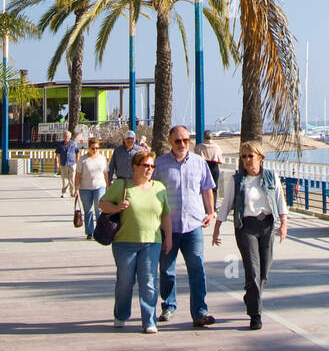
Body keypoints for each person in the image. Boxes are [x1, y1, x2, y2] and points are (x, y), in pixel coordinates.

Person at [212, 140, 287, 330]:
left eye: (250, 156)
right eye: (243, 156)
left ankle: (250, 297)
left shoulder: (271, 177)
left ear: (260, 158)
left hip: (267, 225)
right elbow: (227, 204)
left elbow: (279, 200)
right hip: (246, 227)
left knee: (264, 271)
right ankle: (255, 314)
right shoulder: (237, 180)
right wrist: (217, 228)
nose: (247, 160)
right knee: (252, 270)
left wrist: (284, 223)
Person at [99, 150, 172, 333]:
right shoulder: (122, 185)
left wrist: (168, 238)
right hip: (125, 242)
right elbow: (102, 203)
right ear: (135, 166)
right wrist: (117, 207)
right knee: (125, 281)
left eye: (152, 166)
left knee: (148, 281)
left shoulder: (159, 188)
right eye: (145, 165)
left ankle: (149, 320)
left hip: (151, 242)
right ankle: (121, 314)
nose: (149, 170)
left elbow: (166, 215)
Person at [154, 125, 216, 328]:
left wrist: (211, 212)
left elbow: (206, 188)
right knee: (166, 270)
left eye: (186, 140)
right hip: (168, 227)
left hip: (193, 226)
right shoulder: (160, 164)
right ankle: (169, 305)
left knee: (197, 268)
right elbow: (152, 191)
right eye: (178, 140)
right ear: (170, 141)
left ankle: (200, 311)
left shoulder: (199, 163)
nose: (182, 144)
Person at [75, 136, 107, 238]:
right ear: (88, 148)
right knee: (88, 210)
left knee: (99, 210)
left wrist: (109, 186)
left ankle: (100, 231)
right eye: (93, 148)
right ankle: (89, 232)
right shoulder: (83, 160)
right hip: (85, 188)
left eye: (97, 148)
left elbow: (106, 173)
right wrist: (75, 188)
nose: (95, 150)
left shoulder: (102, 159)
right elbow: (78, 175)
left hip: (99, 186)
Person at [54, 130, 79, 197]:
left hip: (72, 163)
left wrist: (77, 161)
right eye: (65, 136)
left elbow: (77, 152)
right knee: (64, 179)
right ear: (63, 137)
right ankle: (64, 193)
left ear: (70, 137)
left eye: (67, 136)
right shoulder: (60, 144)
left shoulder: (73, 144)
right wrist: (57, 162)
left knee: (72, 179)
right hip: (63, 163)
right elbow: (57, 154)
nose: (66, 138)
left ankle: (72, 192)